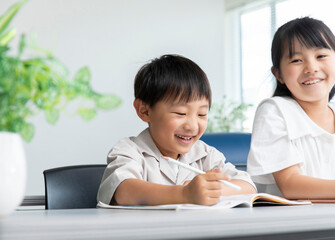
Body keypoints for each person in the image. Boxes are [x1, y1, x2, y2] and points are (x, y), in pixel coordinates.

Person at [97, 54, 256, 206]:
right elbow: (123, 191)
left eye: (201, 114)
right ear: (144, 111)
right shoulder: (129, 150)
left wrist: (209, 192)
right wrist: (184, 194)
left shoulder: (205, 154)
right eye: (180, 113)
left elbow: (247, 186)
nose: (192, 126)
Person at [247, 17, 335, 200]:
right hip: (289, 225)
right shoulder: (274, 111)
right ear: (279, 74)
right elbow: (290, 184)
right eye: (297, 60)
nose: (311, 68)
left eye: (321, 56)